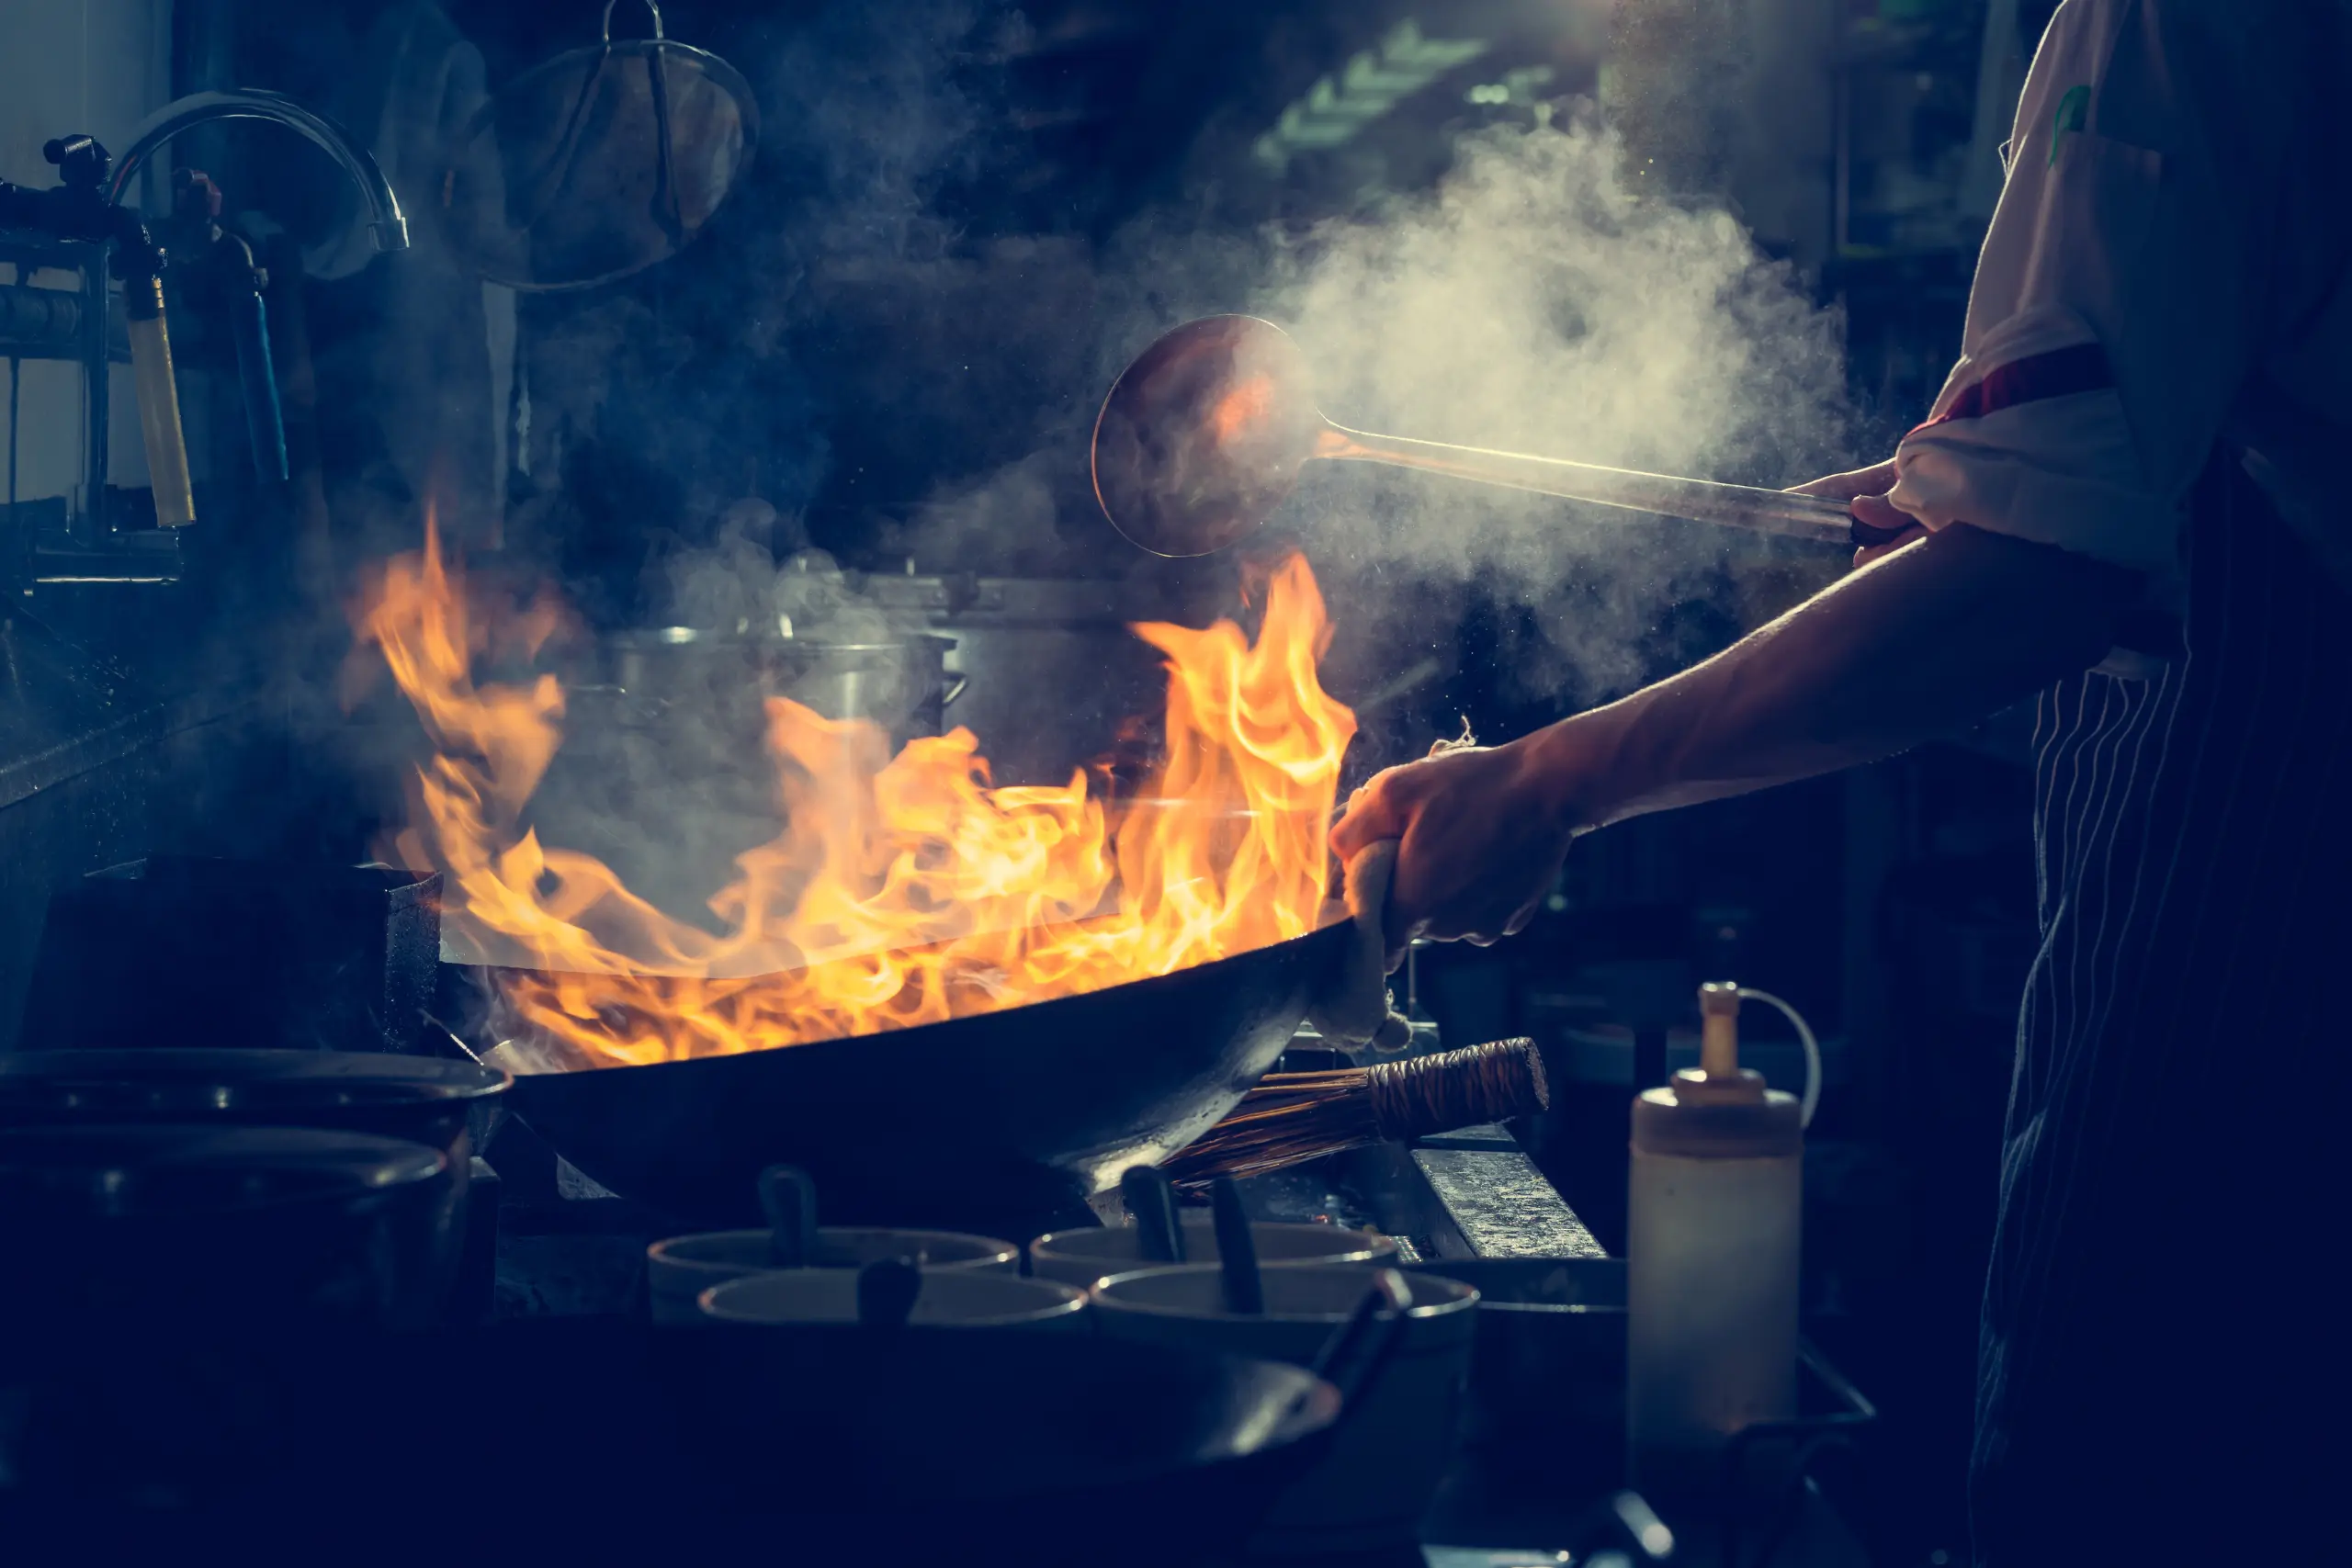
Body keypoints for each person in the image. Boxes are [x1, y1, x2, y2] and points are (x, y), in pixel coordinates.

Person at [1332, 1, 2349, 1561]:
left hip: (2275, 948)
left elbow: (2038, 580)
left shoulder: (2166, 20)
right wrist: (1986, 496)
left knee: (2144, 1449)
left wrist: (1548, 784)